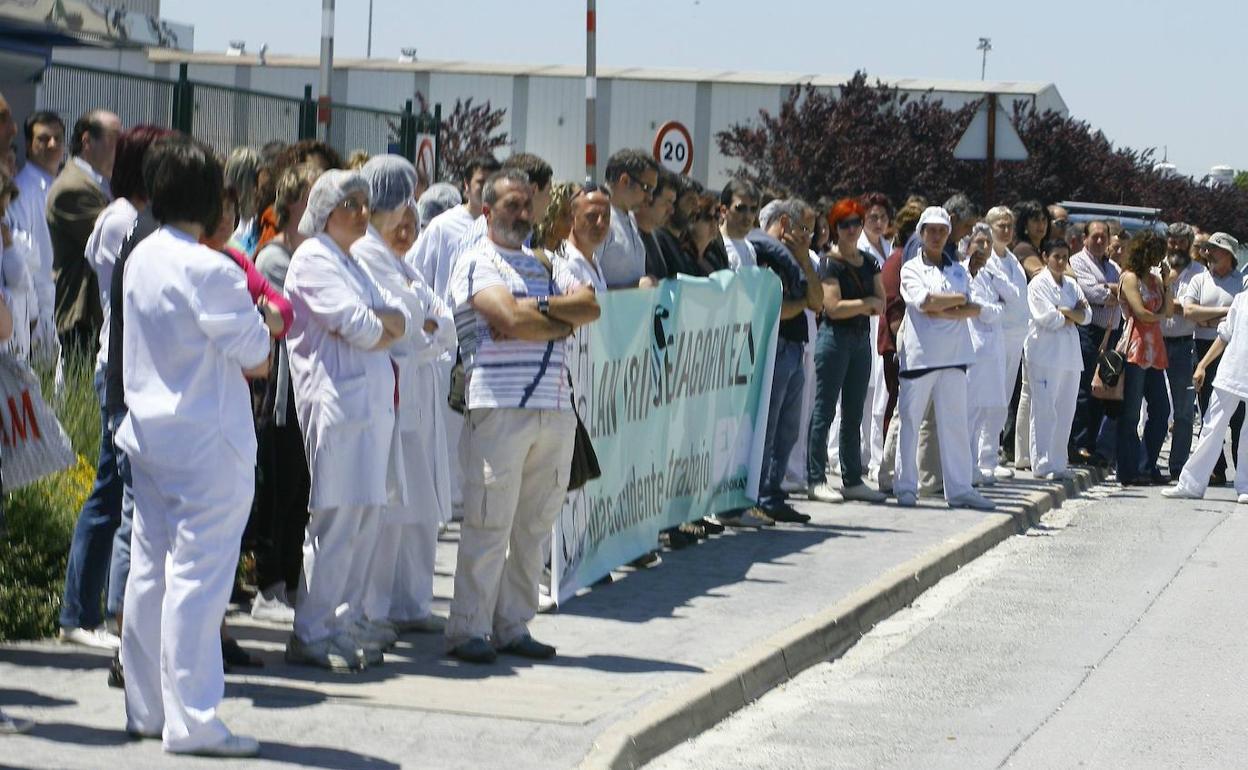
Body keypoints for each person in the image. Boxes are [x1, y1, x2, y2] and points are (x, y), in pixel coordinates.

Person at [114, 135, 268, 757]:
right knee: (198, 582)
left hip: (149, 433)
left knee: (150, 573)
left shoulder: (143, 255)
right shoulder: (210, 266)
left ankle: (147, 708)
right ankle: (194, 720)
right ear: (211, 198)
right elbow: (256, 353)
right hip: (208, 440)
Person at [445, 169, 599, 663]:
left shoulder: (548, 260)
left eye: (525, 205)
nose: (521, 213)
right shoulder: (475, 259)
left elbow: (590, 306)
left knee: (533, 527)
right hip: (499, 406)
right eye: (510, 205)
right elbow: (503, 316)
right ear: (487, 210)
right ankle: (468, 627)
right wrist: (553, 320)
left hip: (553, 409)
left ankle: (513, 625)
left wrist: (536, 309)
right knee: (490, 522)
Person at [284, 170, 412, 670]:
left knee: (363, 519)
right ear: (324, 210)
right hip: (336, 405)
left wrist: (382, 324)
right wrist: (382, 324)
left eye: (364, 203)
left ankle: (338, 621)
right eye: (350, 204)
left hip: (368, 406)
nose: (363, 212)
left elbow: (396, 321)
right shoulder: (313, 259)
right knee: (335, 521)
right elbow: (361, 327)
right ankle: (310, 631)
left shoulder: (352, 261)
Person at [57, 125, 167, 651]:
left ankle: (90, 608)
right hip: (119, 367)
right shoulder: (122, 218)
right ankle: (82, 612)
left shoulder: (135, 217)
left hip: (130, 366)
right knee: (110, 494)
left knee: (114, 493)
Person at [354, 155, 456, 634]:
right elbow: (409, 325)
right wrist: (426, 324)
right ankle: (376, 607)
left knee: (418, 507)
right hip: (393, 392)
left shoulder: (396, 259)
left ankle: (412, 603)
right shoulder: (367, 253)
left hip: (417, 392)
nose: (407, 223)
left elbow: (438, 316)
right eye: (402, 208)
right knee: (390, 510)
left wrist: (427, 324)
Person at [250, 163, 320, 623]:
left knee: (301, 488)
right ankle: (268, 585)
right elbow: (291, 318)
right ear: (294, 202)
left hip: (309, 386)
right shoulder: (275, 258)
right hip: (280, 391)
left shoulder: (315, 254)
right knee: (279, 486)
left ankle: (292, 583)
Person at [895, 207, 995, 511]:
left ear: (948, 234)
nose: (936, 236)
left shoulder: (957, 270)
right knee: (910, 423)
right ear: (921, 233)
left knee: (954, 424)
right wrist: (957, 302)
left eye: (942, 230)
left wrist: (949, 305)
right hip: (920, 356)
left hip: (954, 356)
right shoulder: (911, 268)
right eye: (931, 230)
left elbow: (968, 309)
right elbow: (925, 302)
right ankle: (905, 487)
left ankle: (960, 489)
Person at [805, 197, 887, 504]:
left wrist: (865, 305)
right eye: (844, 224)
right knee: (824, 409)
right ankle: (815, 477)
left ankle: (853, 478)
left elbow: (881, 302)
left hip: (860, 340)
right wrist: (864, 304)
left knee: (854, 412)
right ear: (835, 228)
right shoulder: (830, 262)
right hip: (835, 338)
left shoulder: (869, 261)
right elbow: (833, 307)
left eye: (856, 222)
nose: (851, 229)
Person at [1165, 255, 1248, 502]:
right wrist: (1202, 365)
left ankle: (1245, 485)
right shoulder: (1241, 301)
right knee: (1212, 426)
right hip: (1230, 372)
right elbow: (1224, 335)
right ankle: (1191, 483)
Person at [48, 109, 121, 354]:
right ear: (87, 141)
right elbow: (116, 238)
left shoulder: (102, 182)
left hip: (97, 315)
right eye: (114, 139)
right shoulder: (73, 187)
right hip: (82, 317)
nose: (121, 148)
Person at [1182, 232, 1246, 486]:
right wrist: (1228, 312)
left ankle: (1242, 470)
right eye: (1207, 249)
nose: (1208, 253)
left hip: (1235, 351)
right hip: (1204, 346)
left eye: (1215, 249)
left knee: (1239, 415)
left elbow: (1239, 319)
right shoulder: (1199, 279)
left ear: (1229, 255)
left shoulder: (1241, 281)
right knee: (1208, 407)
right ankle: (1215, 468)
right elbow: (1189, 311)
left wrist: (1209, 318)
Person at [1025, 239, 1090, 478]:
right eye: (1056, 257)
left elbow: (1088, 315)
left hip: (1069, 356)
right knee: (1044, 409)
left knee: (1065, 409)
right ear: (1045, 257)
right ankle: (1042, 463)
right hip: (1044, 354)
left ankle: (1058, 462)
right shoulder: (1038, 284)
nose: (1061, 262)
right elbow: (1046, 318)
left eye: (1065, 257)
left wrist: (1064, 310)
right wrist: (1071, 312)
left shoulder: (1072, 285)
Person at [964, 222, 1021, 485]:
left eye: (988, 243)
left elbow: (1014, 295)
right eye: (979, 242)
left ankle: (982, 463)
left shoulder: (990, 272)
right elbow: (981, 310)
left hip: (993, 347)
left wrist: (995, 278)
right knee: (971, 409)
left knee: (990, 406)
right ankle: (966, 465)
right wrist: (997, 309)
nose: (985, 247)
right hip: (973, 346)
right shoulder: (964, 272)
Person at [1115, 230, 1172, 486]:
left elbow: (1167, 309)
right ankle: (1128, 469)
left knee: (1161, 410)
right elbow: (1140, 313)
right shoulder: (1129, 278)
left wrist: (1167, 283)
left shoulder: (1154, 279)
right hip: (1135, 347)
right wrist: (1159, 316)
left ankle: (1147, 464)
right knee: (1131, 413)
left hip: (1155, 348)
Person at [1150, 222, 1203, 479]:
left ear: (1189, 243)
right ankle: (1147, 460)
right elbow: (1151, 301)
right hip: (1155, 341)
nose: (1176, 246)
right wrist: (1177, 304)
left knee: (1183, 410)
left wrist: (1171, 304)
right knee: (1153, 405)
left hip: (1183, 345)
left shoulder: (1200, 274)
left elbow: (1196, 310)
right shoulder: (1155, 268)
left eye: (1182, 242)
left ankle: (1178, 466)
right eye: (1172, 241)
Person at [981, 206, 1030, 476]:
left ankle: (991, 452)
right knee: (989, 394)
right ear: (988, 226)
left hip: (1015, 335)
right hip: (995, 334)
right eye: (1001, 225)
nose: (1007, 230)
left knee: (1002, 396)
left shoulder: (1012, 259)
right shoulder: (987, 260)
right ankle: (983, 455)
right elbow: (1006, 295)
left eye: (1010, 225)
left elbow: (1016, 297)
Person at [10, 109, 62, 360]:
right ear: (29, 146)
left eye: (58, 138)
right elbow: (23, 258)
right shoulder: (22, 191)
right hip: (38, 313)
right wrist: (36, 317)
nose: (52, 144)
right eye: (43, 138)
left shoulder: (60, 187)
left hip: (58, 309)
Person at [1069, 221, 1121, 465]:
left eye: (1104, 237)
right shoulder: (1078, 261)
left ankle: (1093, 444)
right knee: (1085, 388)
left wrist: (1110, 290)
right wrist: (1112, 292)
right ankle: (1078, 444)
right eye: (1095, 237)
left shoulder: (1113, 266)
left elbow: (1122, 293)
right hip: (1087, 331)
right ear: (1085, 238)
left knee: (1102, 389)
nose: (1100, 241)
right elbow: (1091, 293)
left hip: (1109, 334)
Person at [597, 148, 658, 288]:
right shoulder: (599, 220)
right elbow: (586, 285)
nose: (650, 197)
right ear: (624, 180)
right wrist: (635, 287)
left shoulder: (629, 216)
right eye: (646, 188)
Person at [720, 179, 760, 270]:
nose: (748, 216)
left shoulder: (750, 249)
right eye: (741, 208)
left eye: (753, 209)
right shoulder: (715, 246)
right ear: (724, 211)